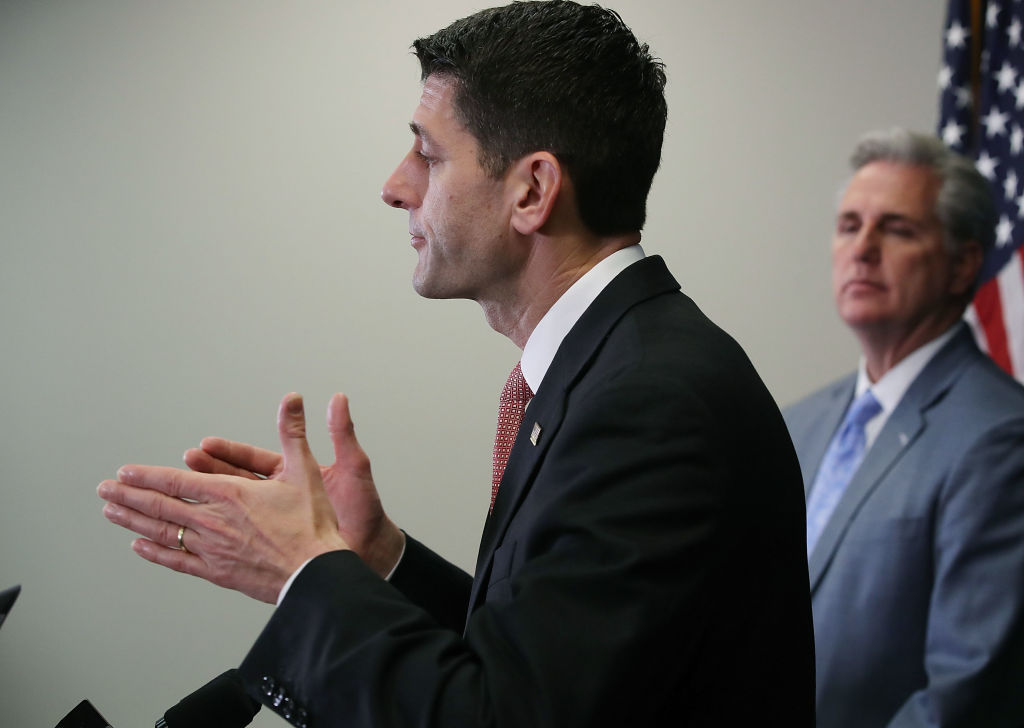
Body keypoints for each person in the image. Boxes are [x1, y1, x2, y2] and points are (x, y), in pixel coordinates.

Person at [98, 2, 814, 726]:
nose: (395, 185)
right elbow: (543, 671)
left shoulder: (650, 405)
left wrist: (306, 571)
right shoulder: (618, 367)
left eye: (429, 154)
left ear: (532, 191)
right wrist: (376, 557)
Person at [784, 128, 1024, 728]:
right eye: (849, 226)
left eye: (896, 229)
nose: (862, 249)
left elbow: (965, 692)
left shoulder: (1000, 439)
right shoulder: (798, 423)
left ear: (962, 263)